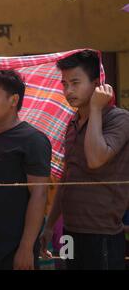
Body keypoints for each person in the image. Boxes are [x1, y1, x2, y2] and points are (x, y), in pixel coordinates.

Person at [40, 50, 129, 270]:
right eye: (64, 84)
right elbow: (68, 178)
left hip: (102, 234)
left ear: (97, 84)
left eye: (75, 83)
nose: (68, 90)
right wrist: (50, 225)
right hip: (70, 231)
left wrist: (97, 108)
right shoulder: (72, 123)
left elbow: (96, 159)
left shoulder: (119, 119)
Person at [0, 70, 51, 270]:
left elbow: (39, 194)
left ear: (14, 100)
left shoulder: (33, 140)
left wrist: (26, 248)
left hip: (15, 249)